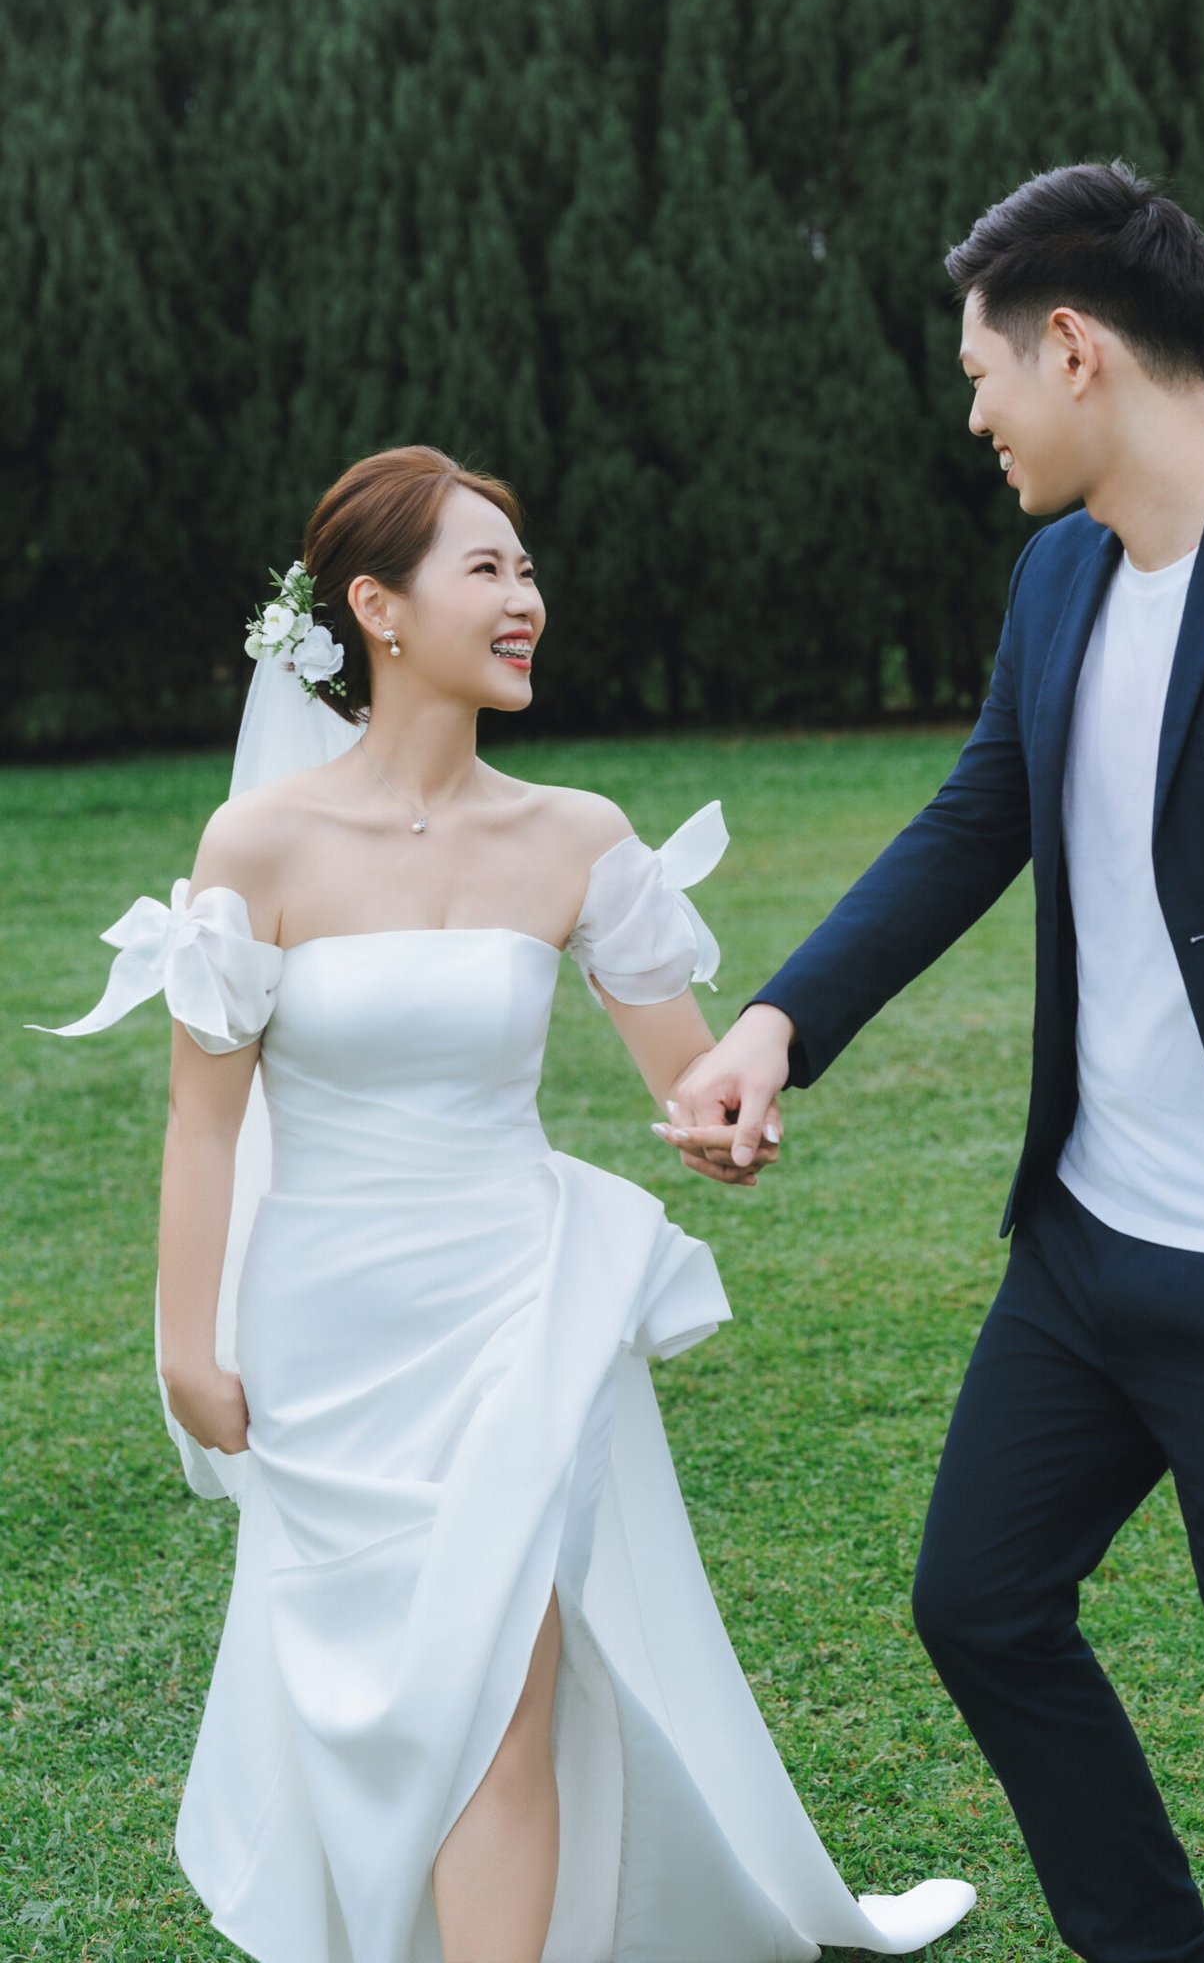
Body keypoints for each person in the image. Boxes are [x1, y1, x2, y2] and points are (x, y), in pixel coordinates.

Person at [661, 163, 1204, 1962]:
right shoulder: (1055, 574)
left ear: (1072, 349)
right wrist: (777, 1025)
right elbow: (975, 819)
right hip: (1080, 1248)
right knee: (977, 1605)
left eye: (982, 373)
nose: (975, 416)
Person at [29, 444, 975, 1963]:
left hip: (514, 1311)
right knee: (379, 1697)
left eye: (527, 570)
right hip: (329, 1326)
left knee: (503, 1688)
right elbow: (203, 1129)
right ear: (378, 609)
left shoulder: (574, 836)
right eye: (487, 570)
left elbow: (690, 1081)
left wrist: (729, 1123)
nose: (526, 599)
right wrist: (183, 1348)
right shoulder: (259, 846)